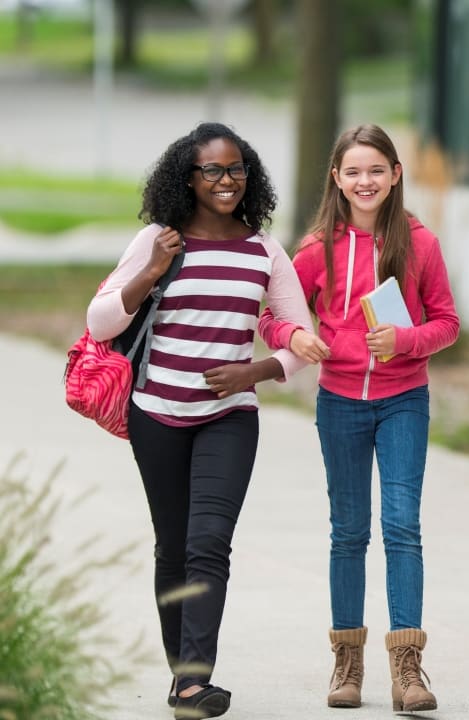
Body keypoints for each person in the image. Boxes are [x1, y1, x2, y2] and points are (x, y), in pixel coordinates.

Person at [86, 122, 317, 720]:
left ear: (251, 176)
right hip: (157, 413)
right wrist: (148, 272)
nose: (226, 180)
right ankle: (181, 673)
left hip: (229, 418)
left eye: (236, 169)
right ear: (186, 178)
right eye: (212, 170)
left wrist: (256, 371)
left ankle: (193, 682)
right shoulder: (157, 241)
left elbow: (301, 338)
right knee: (173, 547)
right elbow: (102, 320)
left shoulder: (263, 250)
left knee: (209, 542)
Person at [258, 124, 460, 712]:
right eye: (353, 171)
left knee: (402, 526)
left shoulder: (420, 243)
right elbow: (272, 317)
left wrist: (405, 339)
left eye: (376, 170)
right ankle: (346, 664)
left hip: (404, 401)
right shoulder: (317, 247)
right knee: (348, 532)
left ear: (396, 174)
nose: (365, 181)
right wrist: (296, 333)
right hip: (340, 401)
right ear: (336, 179)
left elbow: (447, 323)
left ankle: (408, 668)